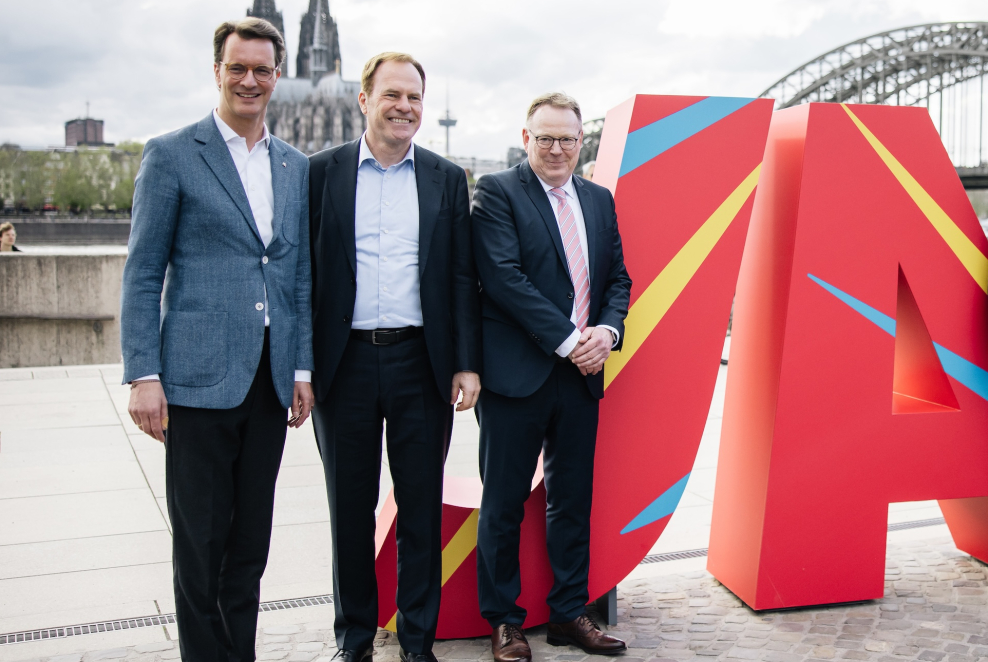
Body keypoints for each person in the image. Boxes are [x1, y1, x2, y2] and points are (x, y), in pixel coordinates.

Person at [120, 18, 313, 661]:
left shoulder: (294, 165)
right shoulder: (174, 152)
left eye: (262, 69)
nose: (250, 80)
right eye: (238, 68)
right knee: (199, 543)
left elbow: (298, 278)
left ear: (277, 76)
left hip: (269, 380)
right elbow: (144, 272)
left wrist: (303, 367)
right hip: (196, 380)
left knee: (250, 544)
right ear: (217, 71)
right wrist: (143, 373)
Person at [307, 52, 482, 662]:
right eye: (392, 95)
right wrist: (302, 369)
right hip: (343, 367)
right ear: (363, 100)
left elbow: (461, 278)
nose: (405, 107)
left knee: (420, 512)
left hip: (421, 364)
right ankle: (353, 640)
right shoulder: (319, 174)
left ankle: (416, 642)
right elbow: (303, 277)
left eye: (414, 97)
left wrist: (465, 361)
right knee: (349, 511)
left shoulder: (444, 177)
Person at [469, 93, 632, 662]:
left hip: (581, 374)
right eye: (546, 138)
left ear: (581, 138)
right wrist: (571, 342)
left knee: (572, 500)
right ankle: (505, 622)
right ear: (526, 136)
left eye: (567, 137)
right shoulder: (497, 191)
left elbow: (618, 280)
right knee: (505, 502)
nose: (558, 148)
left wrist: (607, 334)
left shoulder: (598, 199)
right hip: (521, 375)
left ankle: (568, 614)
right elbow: (504, 278)